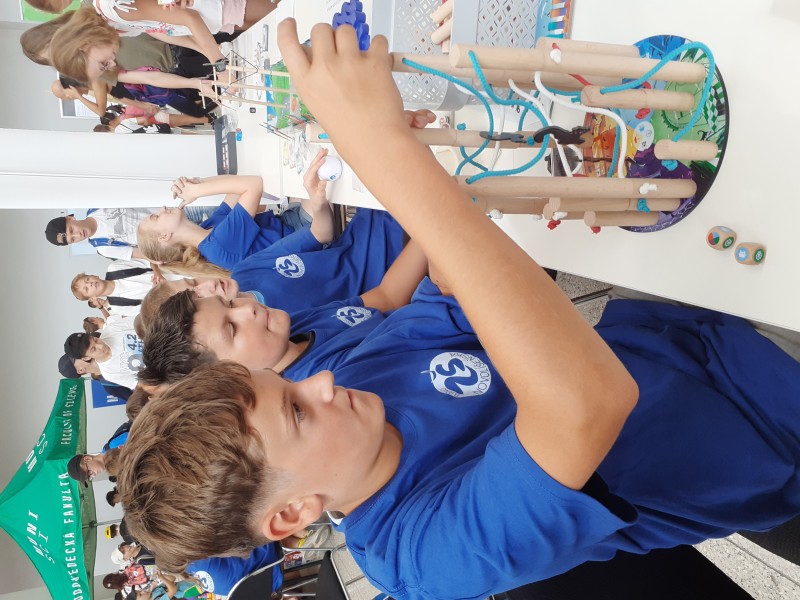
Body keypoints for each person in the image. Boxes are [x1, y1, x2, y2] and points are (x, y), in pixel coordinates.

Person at [115, 20, 800, 599]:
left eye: (289, 386)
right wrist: (384, 155)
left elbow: (448, 291)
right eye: (297, 411)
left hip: (689, 333)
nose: (319, 381)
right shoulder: (419, 556)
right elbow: (586, 406)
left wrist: (426, 165)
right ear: (293, 513)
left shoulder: (357, 384)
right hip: (764, 432)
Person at [136, 169, 330, 273]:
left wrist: (197, 183)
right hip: (306, 232)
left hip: (289, 219)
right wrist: (198, 191)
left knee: (298, 169)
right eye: (156, 217)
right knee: (318, 171)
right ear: (164, 236)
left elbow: (235, 189)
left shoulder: (206, 230)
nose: (162, 209)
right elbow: (253, 184)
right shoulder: (217, 245)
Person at [64, 329, 143, 390]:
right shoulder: (109, 373)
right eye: (93, 349)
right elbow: (141, 384)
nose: (101, 346)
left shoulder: (112, 328)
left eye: (95, 340)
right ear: (86, 358)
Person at [71, 261, 155, 314]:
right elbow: (150, 310)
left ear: (94, 276)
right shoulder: (117, 307)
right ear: (92, 298)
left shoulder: (114, 268)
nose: (90, 284)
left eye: (87, 279)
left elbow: (149, 262)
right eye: (86, 289)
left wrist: (158, 274)